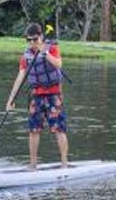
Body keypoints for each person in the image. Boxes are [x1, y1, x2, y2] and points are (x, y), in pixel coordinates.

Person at [6, 23, 69, 170]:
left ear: (41, 37)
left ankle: (64, 164)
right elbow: (20, 77)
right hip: (36, 96)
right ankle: (33, 165)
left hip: (53, 95)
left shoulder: (51, 48)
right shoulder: (26, 55)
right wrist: (11, 99)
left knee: (59, 129)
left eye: (35, 39)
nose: (32, 43)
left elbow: (59, 64)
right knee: (33, 131)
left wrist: (45, 53)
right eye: (29, 40)